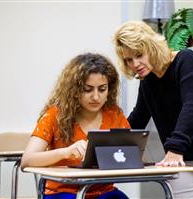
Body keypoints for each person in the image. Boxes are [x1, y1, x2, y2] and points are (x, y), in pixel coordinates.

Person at [113, 20, 193, 199]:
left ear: (151, 47)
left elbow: (192, 105)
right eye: (128, 60)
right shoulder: (147, 81)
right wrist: (108, 142)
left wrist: (175, 148)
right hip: (183, 155)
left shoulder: (186, 60)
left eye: (139, 55)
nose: (135, 64)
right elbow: (138, 117)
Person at [21, 52, 130, 199]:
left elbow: (133, 155)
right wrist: (65, 152)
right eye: (87, 89)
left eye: (102, 89)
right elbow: (27, 160)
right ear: (74, 90)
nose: (96, 97)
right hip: (63, 192)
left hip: (104, 191)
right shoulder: (55, 115)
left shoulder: (114, 114)